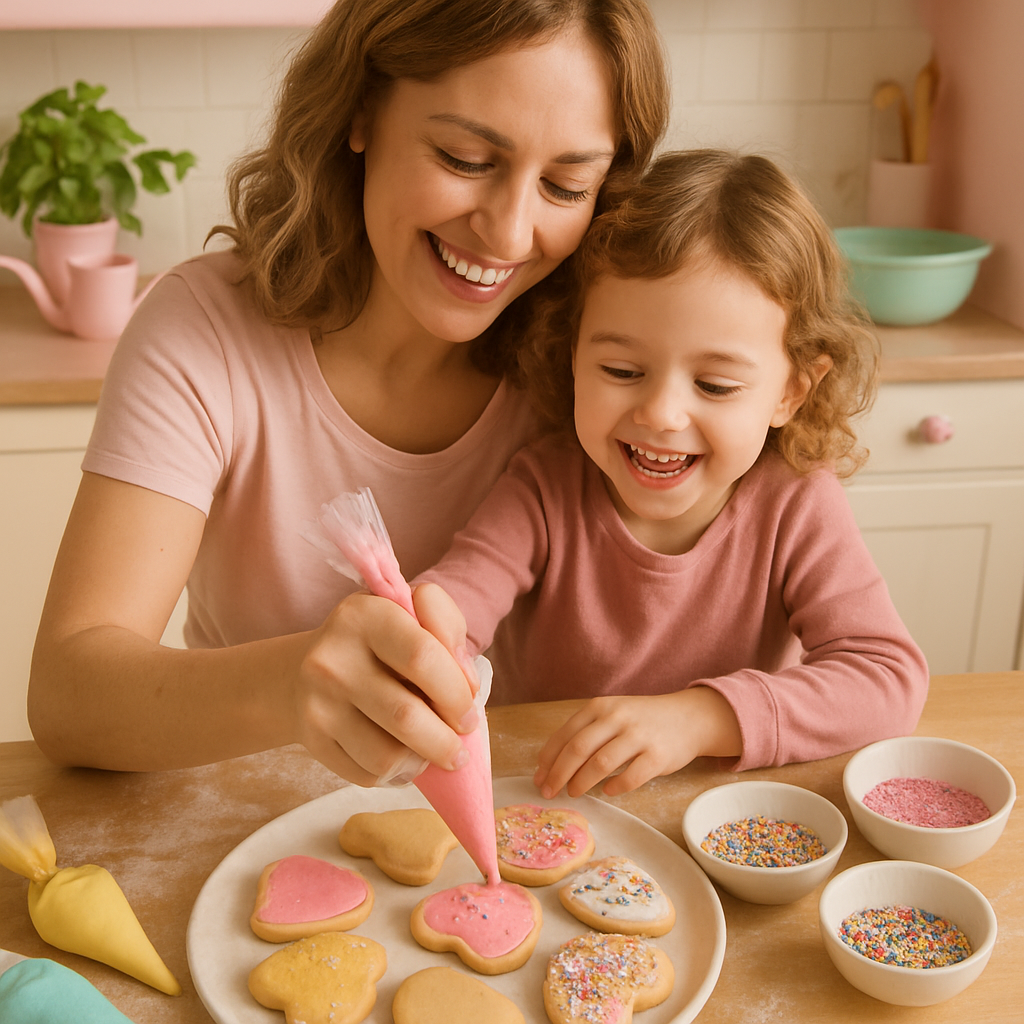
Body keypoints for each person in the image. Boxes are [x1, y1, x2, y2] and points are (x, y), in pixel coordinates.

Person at [26, 0, 670, 785]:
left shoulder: (604, 367)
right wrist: (289, 684)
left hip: (520, 838)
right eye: (467, 158)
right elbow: (68, 695)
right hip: (243, 832)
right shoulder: (205, 333)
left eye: (567, 186)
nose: (507, 234)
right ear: (361, 108)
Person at [412, 149, 930, 797]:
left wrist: (701, 717)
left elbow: (888, 679)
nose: (659, 414)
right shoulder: (544, 487)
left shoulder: (797, 501)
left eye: (714, 385)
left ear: (791, 391)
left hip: (724, 820)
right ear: (572, 353)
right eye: (622, 372)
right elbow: (457, 607)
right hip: (561, 805)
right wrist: (429, 636)